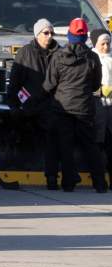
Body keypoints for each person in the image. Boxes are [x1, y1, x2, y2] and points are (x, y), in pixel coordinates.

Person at [44, 17, 108, 193]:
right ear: (85, 36)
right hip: (85, 108)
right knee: (90, 146)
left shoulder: (58, 56)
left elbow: (49, 84)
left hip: (62, 108)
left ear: (70, 36)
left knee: (65, 146)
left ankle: (68, 184)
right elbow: (96, 84)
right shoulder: (93, 57)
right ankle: (100, 184)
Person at [6, 17, 62, 188]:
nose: (49, 36)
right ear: (37, 34)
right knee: (18, 137)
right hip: (29, 106)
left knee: (52, 143)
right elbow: (15, 81)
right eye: (46, 33)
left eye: (51, 32)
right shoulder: (25, 53)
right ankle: (16, 168)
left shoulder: (59, 53)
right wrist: (13, 105)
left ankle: (51, 178)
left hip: (52, 106)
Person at [93, 30, 112, 183]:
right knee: (98, 143)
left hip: (110, 107)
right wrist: (99, 90)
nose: (106, 47)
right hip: (97, 106)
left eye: (108, 43)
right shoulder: (92, 59)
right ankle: (99, 179)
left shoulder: (111, 59)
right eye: (102, 44)